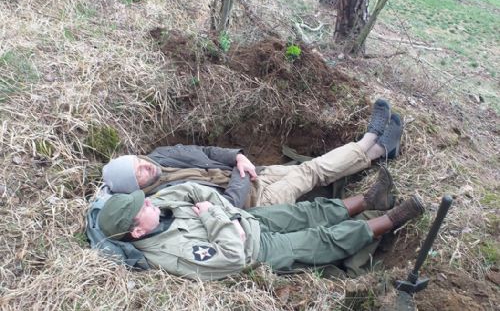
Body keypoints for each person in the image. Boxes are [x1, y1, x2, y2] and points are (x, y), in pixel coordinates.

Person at [97, 167, 425, 281]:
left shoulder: (162, 204)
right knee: (322, 241)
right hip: (259, 250)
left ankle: (369, 201)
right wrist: (214, 218)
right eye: (143, 208)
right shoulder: (167, 253)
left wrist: (221, 216)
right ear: (138, 231)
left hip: (248, 221)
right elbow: (230, 257)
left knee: (307, 212)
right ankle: (392, 218)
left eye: (145, 198)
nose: (150, 201)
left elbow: (198, 191)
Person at [102, 99, 403, 208]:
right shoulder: (162, 200)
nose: (146, 166)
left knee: (313, 169)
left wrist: (237, 157)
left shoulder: (160, 156)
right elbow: (227, 205)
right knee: (310, 172)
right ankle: (371, 143)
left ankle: (377, 149)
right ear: (137, 188)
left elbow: (206, 150)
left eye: (139, 161)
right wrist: (241, 172)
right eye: (139, 173)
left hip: (248, 173)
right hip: (255, 202)